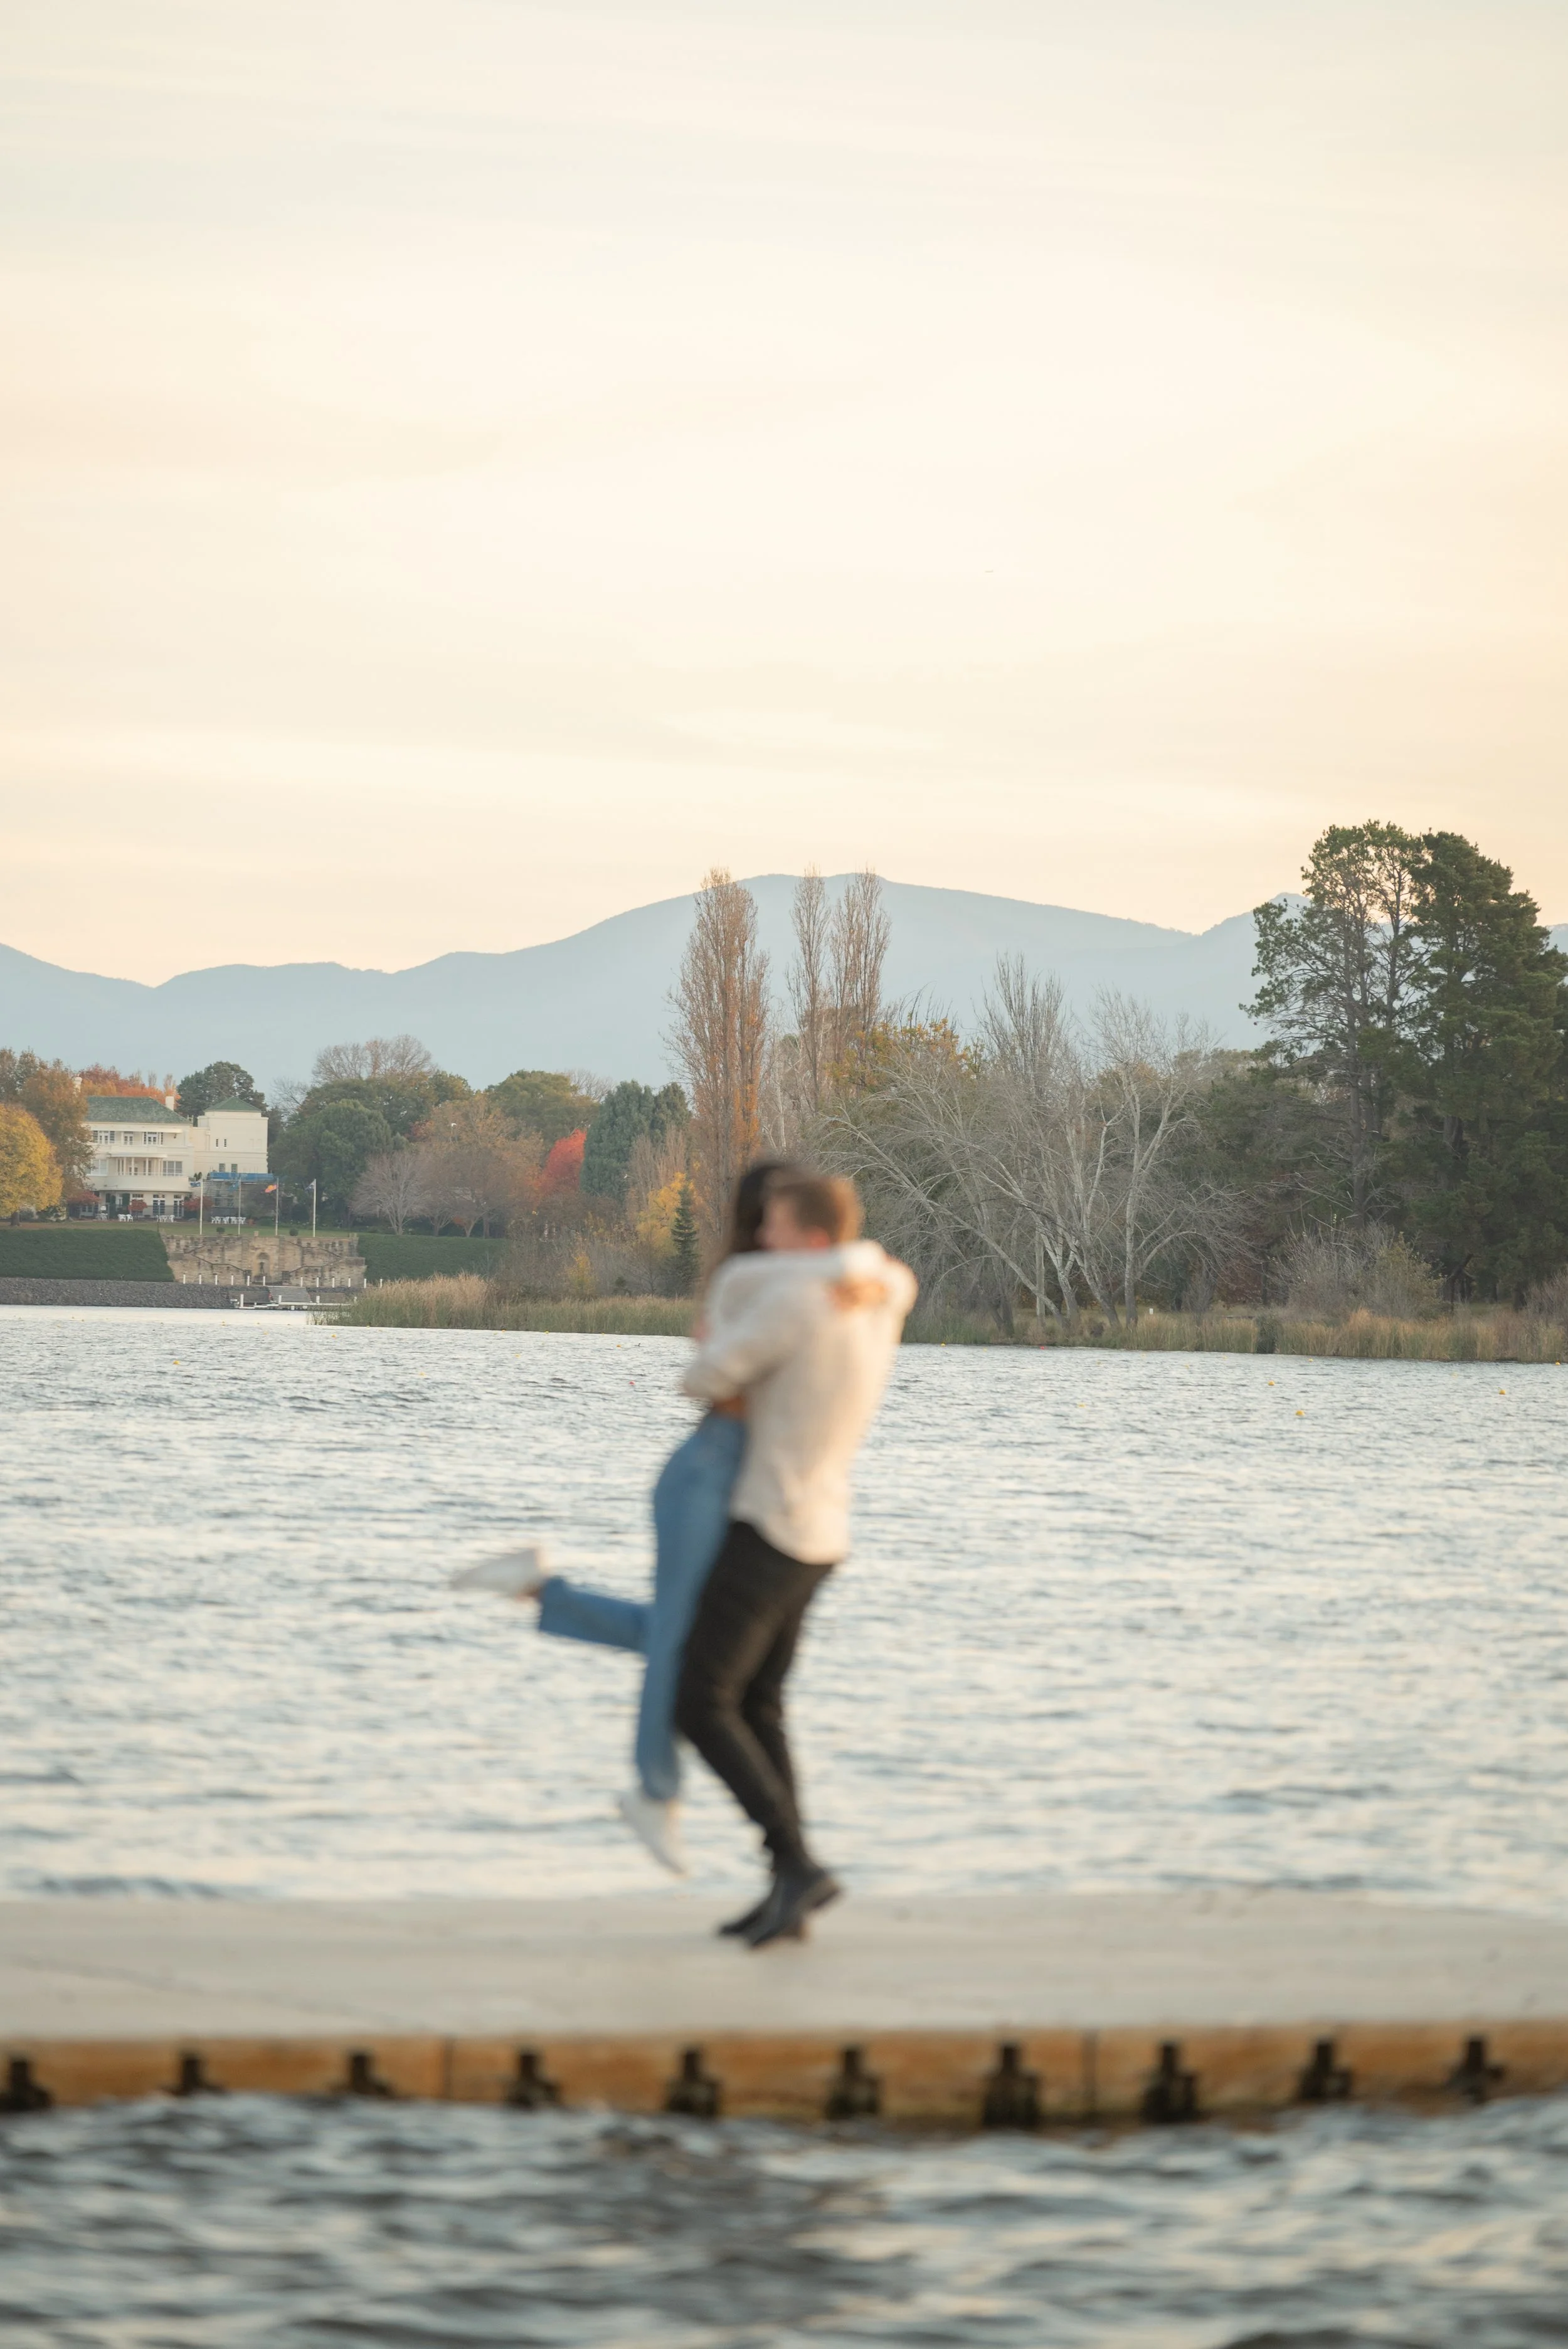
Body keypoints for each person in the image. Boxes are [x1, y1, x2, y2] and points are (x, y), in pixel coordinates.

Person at [453, 1160, 894, 1877]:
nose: (771, 1230)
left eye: (785, 1219)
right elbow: (710, 1364)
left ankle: (541, 1591)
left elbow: (882, 1283)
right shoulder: (754, 1281)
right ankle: (657, 1789)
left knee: (681, 1635)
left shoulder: (813, 1285)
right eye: (768, 1218)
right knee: (684, 1645)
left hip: (749, 1480)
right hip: (711, 1469)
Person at [674, 1170, 916, 1949]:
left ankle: (798, 1862)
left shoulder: (795, 1299)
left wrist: (723, 1318)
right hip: (823, 1531)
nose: (765, 1241)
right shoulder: (877, 1296)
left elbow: (703, 1376)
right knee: (760, 1705)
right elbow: (889, 1269)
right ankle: (789, 1881)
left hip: (768, 1522)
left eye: (776, 1230)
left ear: (812, 1240)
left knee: (700, 1700)